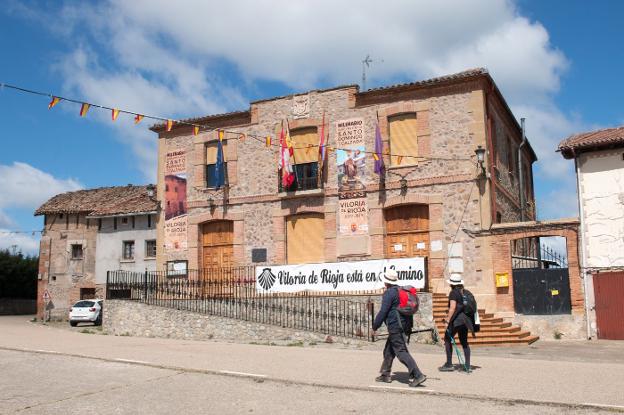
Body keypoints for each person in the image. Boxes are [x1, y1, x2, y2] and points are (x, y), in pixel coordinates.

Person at [372, 269, 427, 387]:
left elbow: (383, 312)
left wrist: (375, 326)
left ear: (386, 282)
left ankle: (418, 374)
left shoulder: (389, 293)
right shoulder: (399, 290)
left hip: (395, 326)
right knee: (389, 350)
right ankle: (385, 374)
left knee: (401, 351)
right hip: (404, 324)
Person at [439, 273, 475, 372]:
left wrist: (447, 321)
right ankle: (467, 365)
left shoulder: (453, 293)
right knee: (464, 342)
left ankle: (449, 364)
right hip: (465, 320)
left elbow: (452, 308)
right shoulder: (464, 292)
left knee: (447, 339)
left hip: (457, 321)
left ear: (452, 284)